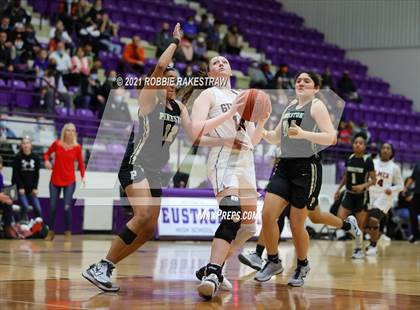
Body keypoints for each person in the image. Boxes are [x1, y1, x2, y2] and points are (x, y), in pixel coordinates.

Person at [82, 23, 244, 293]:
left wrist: (226, 139)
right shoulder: (149, 98)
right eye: (168, 77)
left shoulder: (178, 106)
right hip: (135, 163)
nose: (171, 81)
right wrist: (175, 43)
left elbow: (195, 136)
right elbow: (158, 67)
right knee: (143, 213)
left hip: (156, 171)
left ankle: (107, 266)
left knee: (147, 230)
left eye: (174, 78)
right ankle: (103, 265)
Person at [190, 56, 269, 299]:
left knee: (247, 227)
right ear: (210, 72)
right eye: (215, 62)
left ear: (231, 69)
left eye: (224, 61)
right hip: (223, 157)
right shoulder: (208, 95)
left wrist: (262, 118)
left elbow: (252, 141)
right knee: (232, 216)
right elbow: (196, 132)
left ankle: (213, 268)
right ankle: (213, 273)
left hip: (246, 162)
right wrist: (227, 123)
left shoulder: (242, 96)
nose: (221, 63)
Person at [253, 72, 336, 286]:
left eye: (307, 80)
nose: (301, 82)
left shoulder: (316, 106)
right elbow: (275, 138)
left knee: (297, 224)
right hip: (285, 166)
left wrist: (303, 134)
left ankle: (302, 264)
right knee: (268, 214)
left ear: (316, 88)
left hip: (307, 169)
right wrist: (260, 126)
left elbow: (331, 137)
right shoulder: (290, 107)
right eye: (298, 79)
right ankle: (273, 260)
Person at [335, 132, 376, 259]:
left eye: (360, 143)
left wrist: (362, 186)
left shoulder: (368, 160)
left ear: (364, 146)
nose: (357, 145)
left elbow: (373, 180)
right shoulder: (350, 157)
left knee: (361, 225)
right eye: (355, 143)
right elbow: (346, 176)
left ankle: (358, 249)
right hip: (348, 194)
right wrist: (338, 189)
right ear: (353, 145)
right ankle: (353, 229)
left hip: (361, 196)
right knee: (339, 218)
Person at [43, 123, 86, 241]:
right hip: (55, 181)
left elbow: (81, 164)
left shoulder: (77, 147)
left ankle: (68, 233)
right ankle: (50, 232)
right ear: (64, 132)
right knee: (52, 207)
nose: (71, 132)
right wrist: (46, 161)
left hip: (70, 181)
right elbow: (46, 154)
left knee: (67, 207)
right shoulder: (57, 144)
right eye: (68, 130)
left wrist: (83, 177)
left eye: (73, 130)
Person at [364, 142, 403, 255]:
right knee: (365, 223)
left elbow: (401, 186)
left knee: (373, 219)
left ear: (391, 152)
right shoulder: (373, 162)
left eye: (388, 148)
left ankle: (373, 246)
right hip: (371, 194)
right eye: (383, 148)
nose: (385, 150)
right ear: (380, 150)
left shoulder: (394, 167)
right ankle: (379, 236)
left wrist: (392, 189)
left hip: (384, 197)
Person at [12, 137, 42, 222]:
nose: (26, 145)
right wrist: (20, 187)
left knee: (38, 209)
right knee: (25, 206)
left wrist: (35, 188)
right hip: (20, 189)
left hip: (31, 189)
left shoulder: (36, 158)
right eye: (24, 143)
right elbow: (15, 175)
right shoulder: (17, 158)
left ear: (31, 145)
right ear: (21, 145)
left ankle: (40, 227)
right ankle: (20, 222)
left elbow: (37, 174)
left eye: (27, 143)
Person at [403, 160, 420, 243]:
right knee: (412, 213)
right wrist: (406, 188)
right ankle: (415, 236)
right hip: (417, 194)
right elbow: (412, 178)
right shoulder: (418, 164)